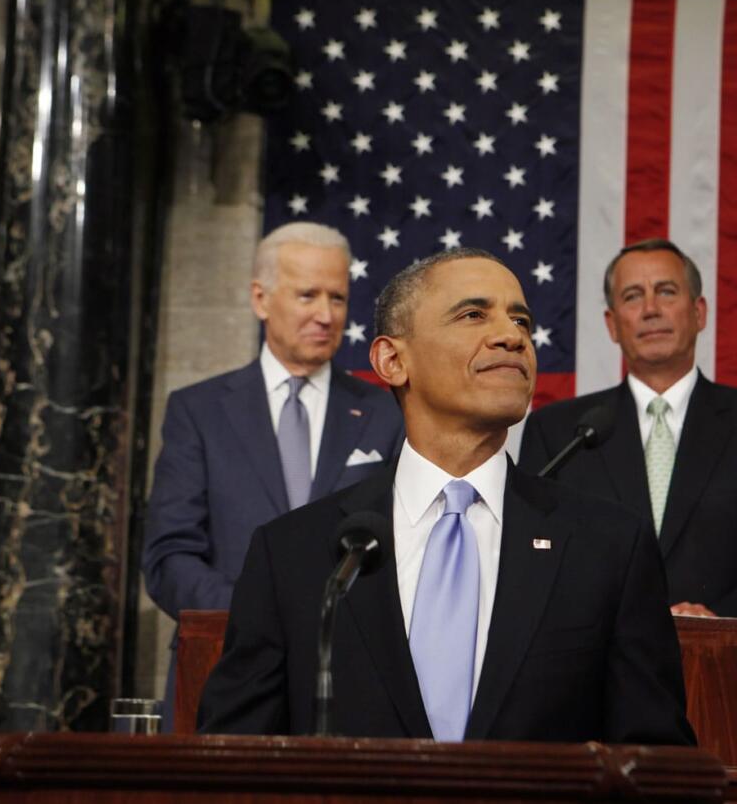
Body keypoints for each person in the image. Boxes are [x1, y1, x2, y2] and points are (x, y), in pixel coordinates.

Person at [197, 248, 695, 745]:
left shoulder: (608, 548)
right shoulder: (294, 555)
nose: (511, 336)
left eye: (520, 320)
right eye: (474, 315)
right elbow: (232, 760)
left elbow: (656, 763)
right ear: (392, 360)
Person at [143, 222, 404, 728]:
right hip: (223, 667)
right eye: (308, 295)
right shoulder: (198, 411)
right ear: (260, 299)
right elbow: (169, 555)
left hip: (348, 677)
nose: (327, 316)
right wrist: (259, 616)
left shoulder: (387, 412)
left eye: (338, 298)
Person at [518, 238, 737, 622]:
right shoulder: (559, 432)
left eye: (666, 291)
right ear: (612, 325)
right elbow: (531, 554)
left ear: (699, 312)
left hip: (719, 665)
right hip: (591, 667)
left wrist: (717, 619)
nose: (650, 309)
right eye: (632, 296)